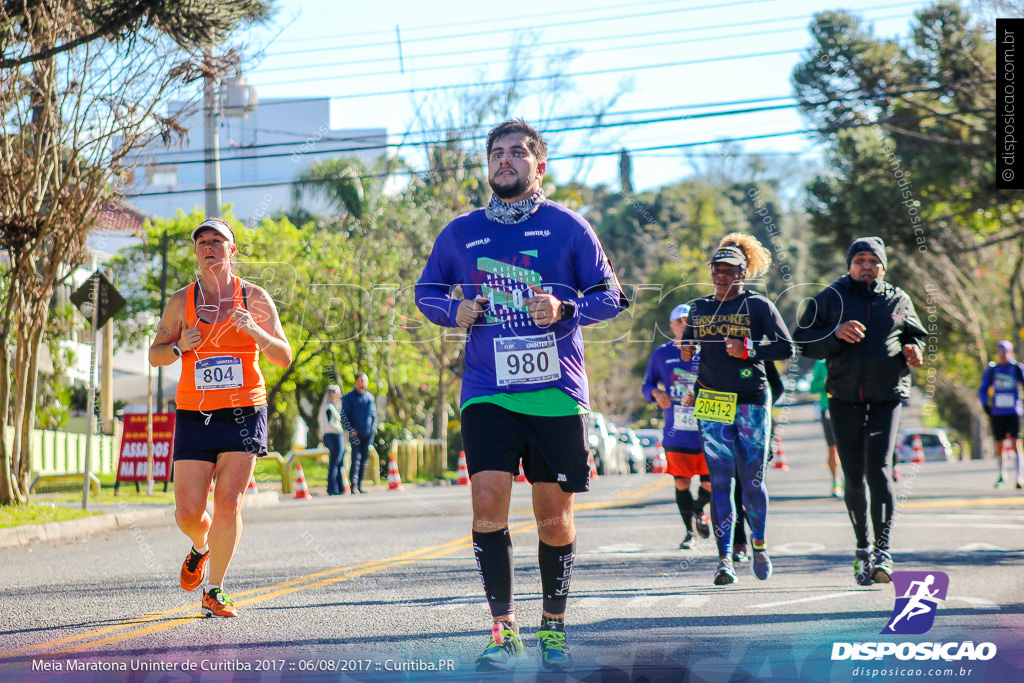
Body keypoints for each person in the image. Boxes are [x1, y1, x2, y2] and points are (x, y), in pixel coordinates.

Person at [414, 119, 627, 672]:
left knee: (554, 519)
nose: (504, 160)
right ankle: (502, 626)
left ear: (539, 165)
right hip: (487, 389)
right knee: (487, 504)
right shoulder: (460, 232)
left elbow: (612, 296)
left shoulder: (569, 227)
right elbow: (427, 290)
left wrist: (566, 309)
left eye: (517, 152)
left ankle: (552, 625)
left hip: (555, 391)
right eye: (496, 153)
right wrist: (451, 311)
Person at [150, 218, 292, 617]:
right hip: (196, 415)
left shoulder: (255, 298)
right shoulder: (182, 302)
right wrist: (178, 346)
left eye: (218, 241)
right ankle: (201, 546)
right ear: (196, 252)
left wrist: (256, 334)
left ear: (233, 251)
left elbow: (283, 355)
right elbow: (154, 354)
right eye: (202, 242)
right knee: (189, 513)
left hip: (245, 411)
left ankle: (215, 589)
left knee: (229, 502)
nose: (209, 246)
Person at [794, 236, 925, 586]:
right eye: (861, 260)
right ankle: (862, 547)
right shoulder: (830, 298)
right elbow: (802, 341)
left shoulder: (898, 298)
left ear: (883, 266)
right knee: (853, 476)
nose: (867, 266)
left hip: (887, 396)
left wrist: (914, 348)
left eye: (874, 261)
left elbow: (916, 335)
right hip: (844, 397)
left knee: (879, 470)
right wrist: (835, 332)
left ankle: (883, 550)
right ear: (849, 265)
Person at [679, 234, 795, 586]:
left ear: (743, 274)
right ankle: (724, 558)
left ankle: (759, 544)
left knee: (752, 480)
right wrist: (687, 348)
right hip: (712, 401)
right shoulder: (698, 308)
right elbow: (692, 347)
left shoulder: (758, 306)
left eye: (729, 270)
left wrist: (749, 350)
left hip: (751, 401)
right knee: (719, 482)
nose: (722, 276)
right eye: (717, 270)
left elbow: (786, 348)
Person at [642, 303, 713, 550]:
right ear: (672, 326)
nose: (685, 325)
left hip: (708, 430)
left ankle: (699, 509)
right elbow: (647, 384)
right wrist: (655, 392)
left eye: (689, 320)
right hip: (677, 432)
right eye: (680, 321)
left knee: (710, 483)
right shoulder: (661, 354)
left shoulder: (709, 350)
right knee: (681, 483)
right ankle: (689, 532)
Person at [979, 340, 1024, 488]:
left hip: (1013, 411)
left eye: (1005, 352)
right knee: (999, 442)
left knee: (1016, 441)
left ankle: (1018, 477)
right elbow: (983, 388)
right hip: (998, 412)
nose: (1003, 355)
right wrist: (985, 405)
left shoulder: (1017, 368)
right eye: (1000, 352)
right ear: (998, 353)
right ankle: (1001, 475)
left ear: (1010, 353)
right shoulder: (993, 370)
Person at [810, 358, 843, 497]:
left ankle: (853, 482)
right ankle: (836, 481)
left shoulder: (848, 358)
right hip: (828, 409)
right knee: (832, 448)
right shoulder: (821, 364)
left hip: (847, 408)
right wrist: (826, 383)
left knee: (851, 448)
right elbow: (813, 387)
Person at [341, 373, 377, 494]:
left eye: (366, 381)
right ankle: (354, 485)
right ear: (356, 382)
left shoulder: (370, 398)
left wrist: (373, 429)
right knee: (356, 459)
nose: (364, 383)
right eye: (362, 381)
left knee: (364, 460)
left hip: (367, 433)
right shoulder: (349, 398)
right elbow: (344, 417)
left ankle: (360, 485)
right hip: (356, 434)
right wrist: (351, 430)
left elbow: (374, 416)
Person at [319, 385, 346, 495]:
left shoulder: (331, 406)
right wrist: (340, 430)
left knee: (338, 462)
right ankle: (332, 488)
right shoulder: (328, 407)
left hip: (332, 436)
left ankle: (339, 487)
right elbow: (329, 423)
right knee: (335, 462)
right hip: (333, 436)